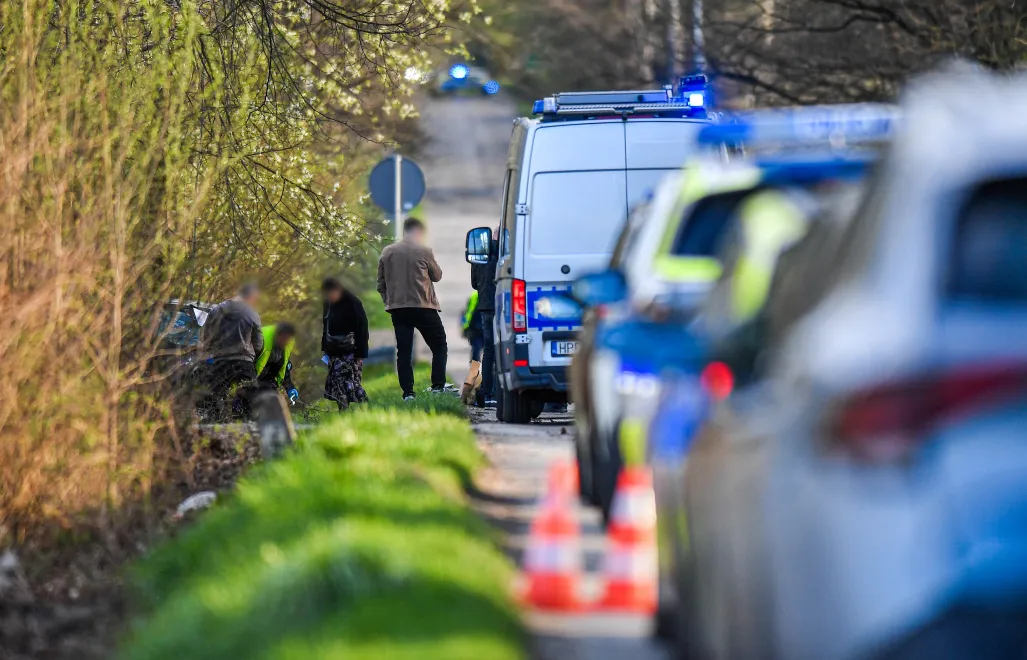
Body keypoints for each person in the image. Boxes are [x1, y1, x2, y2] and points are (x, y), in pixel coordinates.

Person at [376, 217, 451, 400]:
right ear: (417, 231)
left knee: (404, 352)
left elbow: (380, 284)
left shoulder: (387, 252)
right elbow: (437, 276)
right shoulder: (423, 250)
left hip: (399, 310)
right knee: (439, 345)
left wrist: (390, 302)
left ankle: (408, 393)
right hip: (423, 307)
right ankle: (438, 386)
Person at [201, 282, 263, 418]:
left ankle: (214, 431)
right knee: (250, 405)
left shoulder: (216, 310)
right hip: (244, 363)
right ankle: (247, 431)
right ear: (251, 296)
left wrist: (213, 353)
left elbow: (206, 338)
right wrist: (252, 357)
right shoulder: (252, 314)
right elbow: (258, 343)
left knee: (215, 403)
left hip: (220, 363)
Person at [322, 277, 369, 410]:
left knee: (352, 382)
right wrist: (325, 348)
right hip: (333, 349)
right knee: (336, 382)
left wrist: (361, 352)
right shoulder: (328, 304)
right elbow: (325, 326)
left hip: (352, 350)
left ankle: (365, 406)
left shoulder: (353, 302)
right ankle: (343, 409)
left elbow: (363, 328)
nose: (330, 296)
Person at [471, 230, 498, 407]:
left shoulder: (480, 255)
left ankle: (488, 393)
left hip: (485, 306)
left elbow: (474, 283)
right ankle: (500, 390)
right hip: (503, 304)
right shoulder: (507, 253)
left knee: (488, 349)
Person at [255, 322, 299, 405]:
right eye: (284, 339)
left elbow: (284, 367)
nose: (286, 342)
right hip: (252, 378)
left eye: (288, 339)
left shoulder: (288, 343)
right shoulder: (261, 339)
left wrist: (290, 387)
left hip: (268, 382)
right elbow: (246, 363)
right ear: (278, 335)